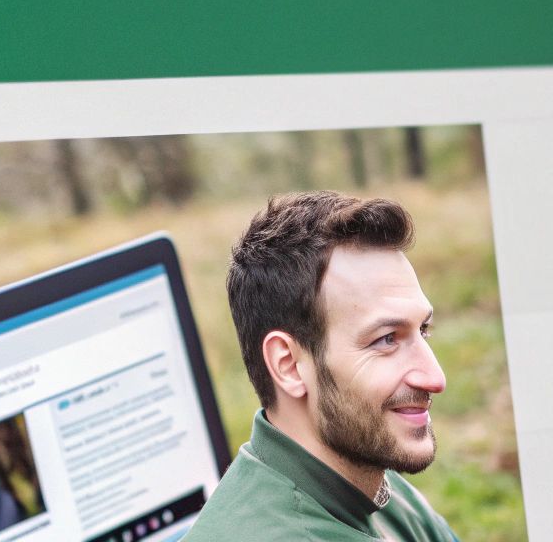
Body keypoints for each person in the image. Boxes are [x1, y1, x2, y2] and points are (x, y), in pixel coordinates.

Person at [186, 191, 458, 542]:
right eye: (387, 339)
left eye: (423, 330)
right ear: (288, 365)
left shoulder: (371, 486)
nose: (435, 378)